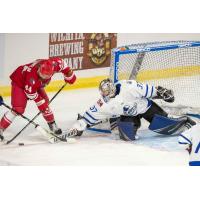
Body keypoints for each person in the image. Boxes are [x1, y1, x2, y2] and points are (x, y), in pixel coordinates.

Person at [67, 78, 195, 141]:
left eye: (106, 92)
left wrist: (160, 92)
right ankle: (124, 124)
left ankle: (187, 123)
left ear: (111, 89)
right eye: (103, 92)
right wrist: (79, 126)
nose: (104, 95)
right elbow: (90, 115)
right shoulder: (103, 103)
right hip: (128, 115)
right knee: (127, 136)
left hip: (146, 108)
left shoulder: (128, 86)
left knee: (165, 124)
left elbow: (147, 90)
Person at [0, 57, 76, 141]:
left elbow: (64, 66)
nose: (43, 77)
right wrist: (41, 103)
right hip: (20, 83)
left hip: (35, 84)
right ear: (39, 69)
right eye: (41, 74)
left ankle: (52, 124)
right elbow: (31, 94)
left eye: (46, 76)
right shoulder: (31, 78)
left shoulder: (55, 64)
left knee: (45, 103)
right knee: (18, 109)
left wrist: (69, 75)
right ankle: (1, 128)